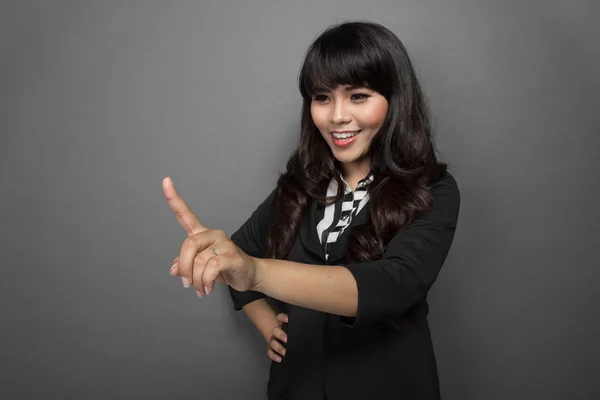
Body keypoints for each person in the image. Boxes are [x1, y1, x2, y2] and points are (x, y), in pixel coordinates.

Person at [163, 21, 460, 400]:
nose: (336, 116)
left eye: (358, 96)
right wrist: (266, 319)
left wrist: (254, 272)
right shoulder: (300, 188)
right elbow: (240, 252)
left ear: (394, 99)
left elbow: (392, 286)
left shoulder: (432, 190)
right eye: (322, 97)